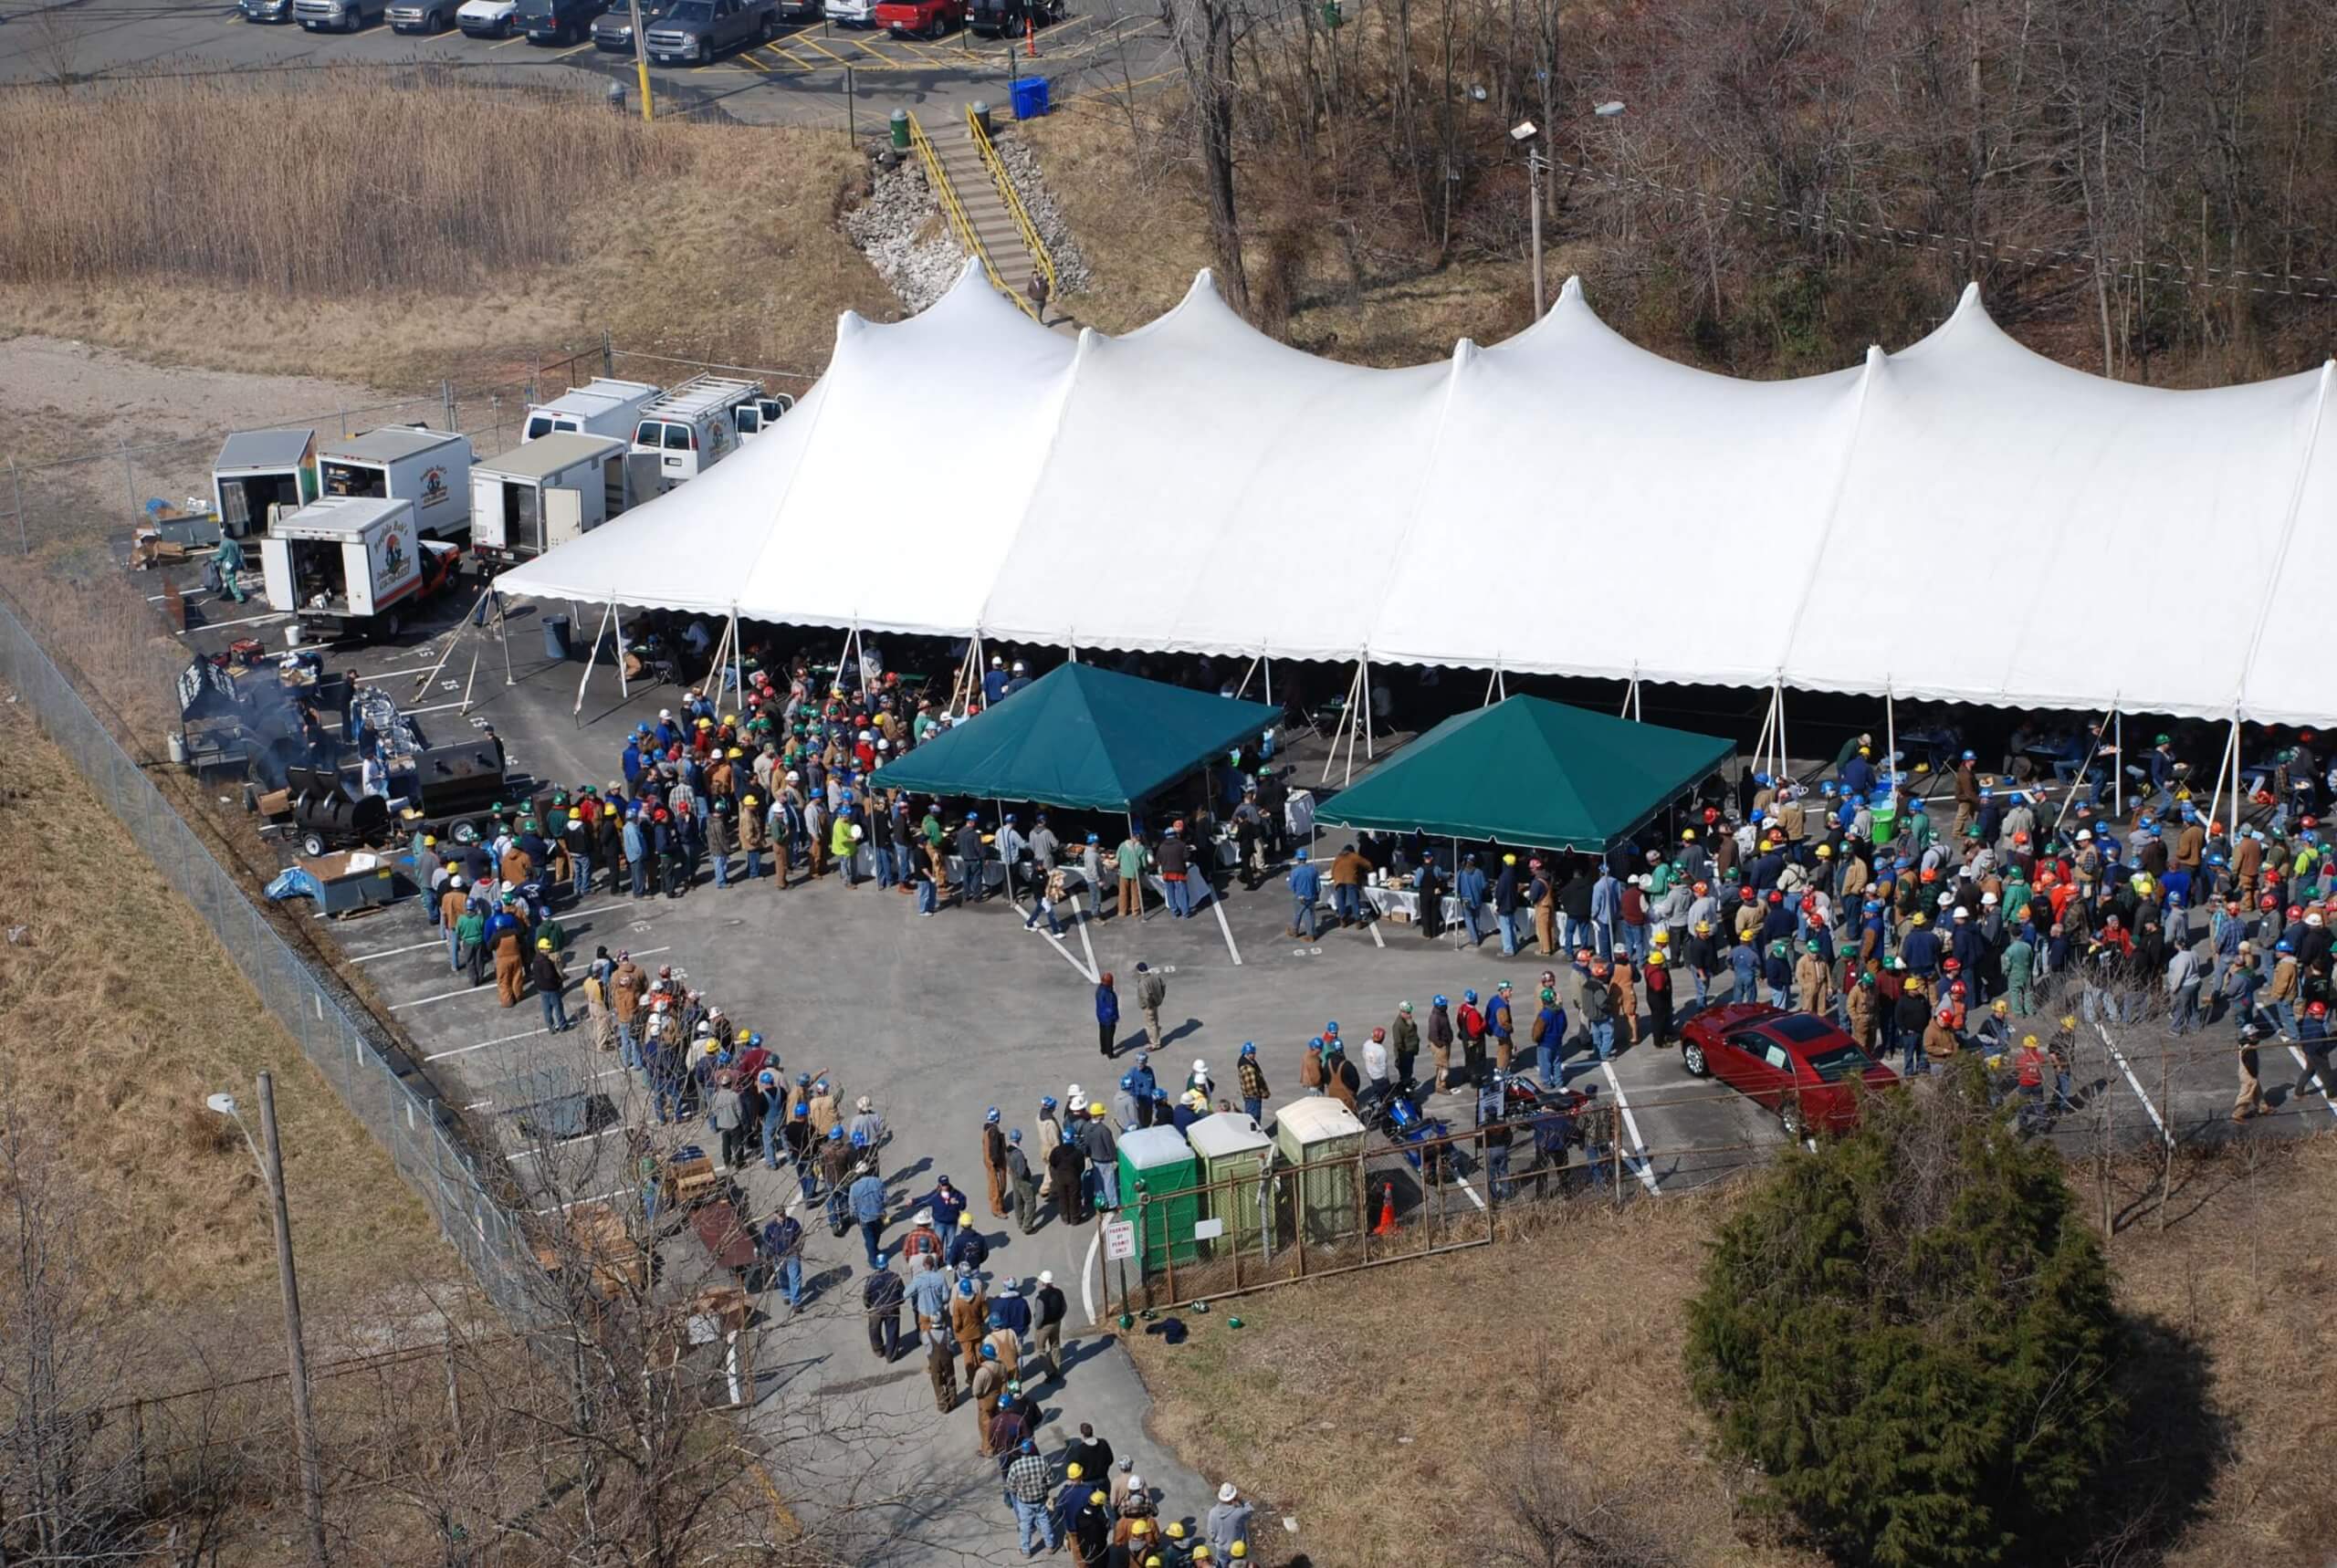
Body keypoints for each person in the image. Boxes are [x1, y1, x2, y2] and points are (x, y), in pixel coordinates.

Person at [760, 1211, 804, 1311]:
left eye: (783, 1214)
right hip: (778, 1257)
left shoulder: (793, 1223)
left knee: (795, 1278)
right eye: (779, 1215)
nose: (782, 1217)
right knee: (781, 1277)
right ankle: (786, 1293)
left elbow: (800, 1236)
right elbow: (766, 1241)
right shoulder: (770, 1227)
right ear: (775, 1215)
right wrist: (772, 1252)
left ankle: (796, 1302)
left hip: (792, 1255)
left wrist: (798, 1249)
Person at [864, 1254, 904, 1362]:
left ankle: (878, 1350)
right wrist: (899, 1302)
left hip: (876, 1307)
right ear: (887, 1264)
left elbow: (866, 1296)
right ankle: (891, 1355)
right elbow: (902, 1294)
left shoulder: (871, 1279)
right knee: (892, 1330)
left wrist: (869, 1306)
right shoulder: (895, 1277)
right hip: (892, 1307)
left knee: (874, 1330)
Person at [1032, 1269, 1066, 1382]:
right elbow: (1064, 1308)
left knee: (1040, 1350)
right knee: (1055, 1345)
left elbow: (1039, 1316)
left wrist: (1038, 1327)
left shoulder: (1041, 1297)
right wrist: (1059, 1318)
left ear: (1043, 1282)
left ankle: (1050, 1372)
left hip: (1044, 1326)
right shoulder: (1059, 1292)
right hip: (1057, 1323)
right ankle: (1057, 1369)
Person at [848, 1171, 888, 1269]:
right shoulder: (877, 1181)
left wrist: (856, 1216)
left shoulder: (854, 1187)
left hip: (864, 1218)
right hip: (878, 1215)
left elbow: (852, 1206)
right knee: (877, 1234)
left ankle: (872, 1259)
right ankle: (874, 1250)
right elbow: (886, 1199)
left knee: (869, 1238)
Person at [529, 937, 570, 1032]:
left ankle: (550, 1027)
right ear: (541, 949)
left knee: (546, 1008)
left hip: (541, 989)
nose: (548, 950)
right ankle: (562, 1025)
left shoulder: (535, 960)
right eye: (546, 949)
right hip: (551, 989)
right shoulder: (546, 962)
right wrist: (558, 982)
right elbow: (550, 976)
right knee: (558, 1007)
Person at [1206, 1482, 1253, 1562]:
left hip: (1220, 1547)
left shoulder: (1213, 1512)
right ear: (1234, 1497)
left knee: (1222, 1563)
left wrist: (1216, 1540)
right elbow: (1250, 1510)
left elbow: (1211, 1532)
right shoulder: (1238, 1513)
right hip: (1235, 1549)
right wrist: (1241, 1500)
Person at [1006, 1130, 1041, 1233]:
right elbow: (1022, 1171)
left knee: (1017, 1199)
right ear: (1019, 1139)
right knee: (1030, 1201)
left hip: (1014, 1176)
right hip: (1022, 1180)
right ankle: (1027, 1226)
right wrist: (1028, 1178)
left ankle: (1020, 1221)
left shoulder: (1008, 1150)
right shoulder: (1018, 1154)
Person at [1288, 850, 1321, 939]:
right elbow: (1318, 886)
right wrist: (1317, 894)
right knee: (1310, 914)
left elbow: (1291, 886)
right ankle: (1310, 933)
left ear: (1298, 859)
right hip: (1311, 896)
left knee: (1298, 914)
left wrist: (1297, 892)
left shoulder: (1295, 872)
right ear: (1305, 859)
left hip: (1299, 897)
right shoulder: (1313, 870)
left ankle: (1296, 931)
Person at [1236, 1041, 1270, 1125]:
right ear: (1246, 1053)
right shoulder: (1247, 1068)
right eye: (1251, 1053)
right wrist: (1258, 1094)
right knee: (1253, 1119)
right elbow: (1251, 1087)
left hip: (1252, 1098)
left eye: (1254, 1053)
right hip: (1252, 1098)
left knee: (1253, 1118)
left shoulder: (1250, 1061)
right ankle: (1254, 1136)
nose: (1253, 1055)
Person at [1095, 973, 1121, 1059]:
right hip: (1109, 1018)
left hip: (1101, 1015)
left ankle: (1103, 1049)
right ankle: (1110, 1053)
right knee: (1109, 1036)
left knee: (1102, 1033)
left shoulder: (1099, 989)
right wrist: (1115, 1017)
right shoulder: (1109, 993)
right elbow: (1112, 1007)